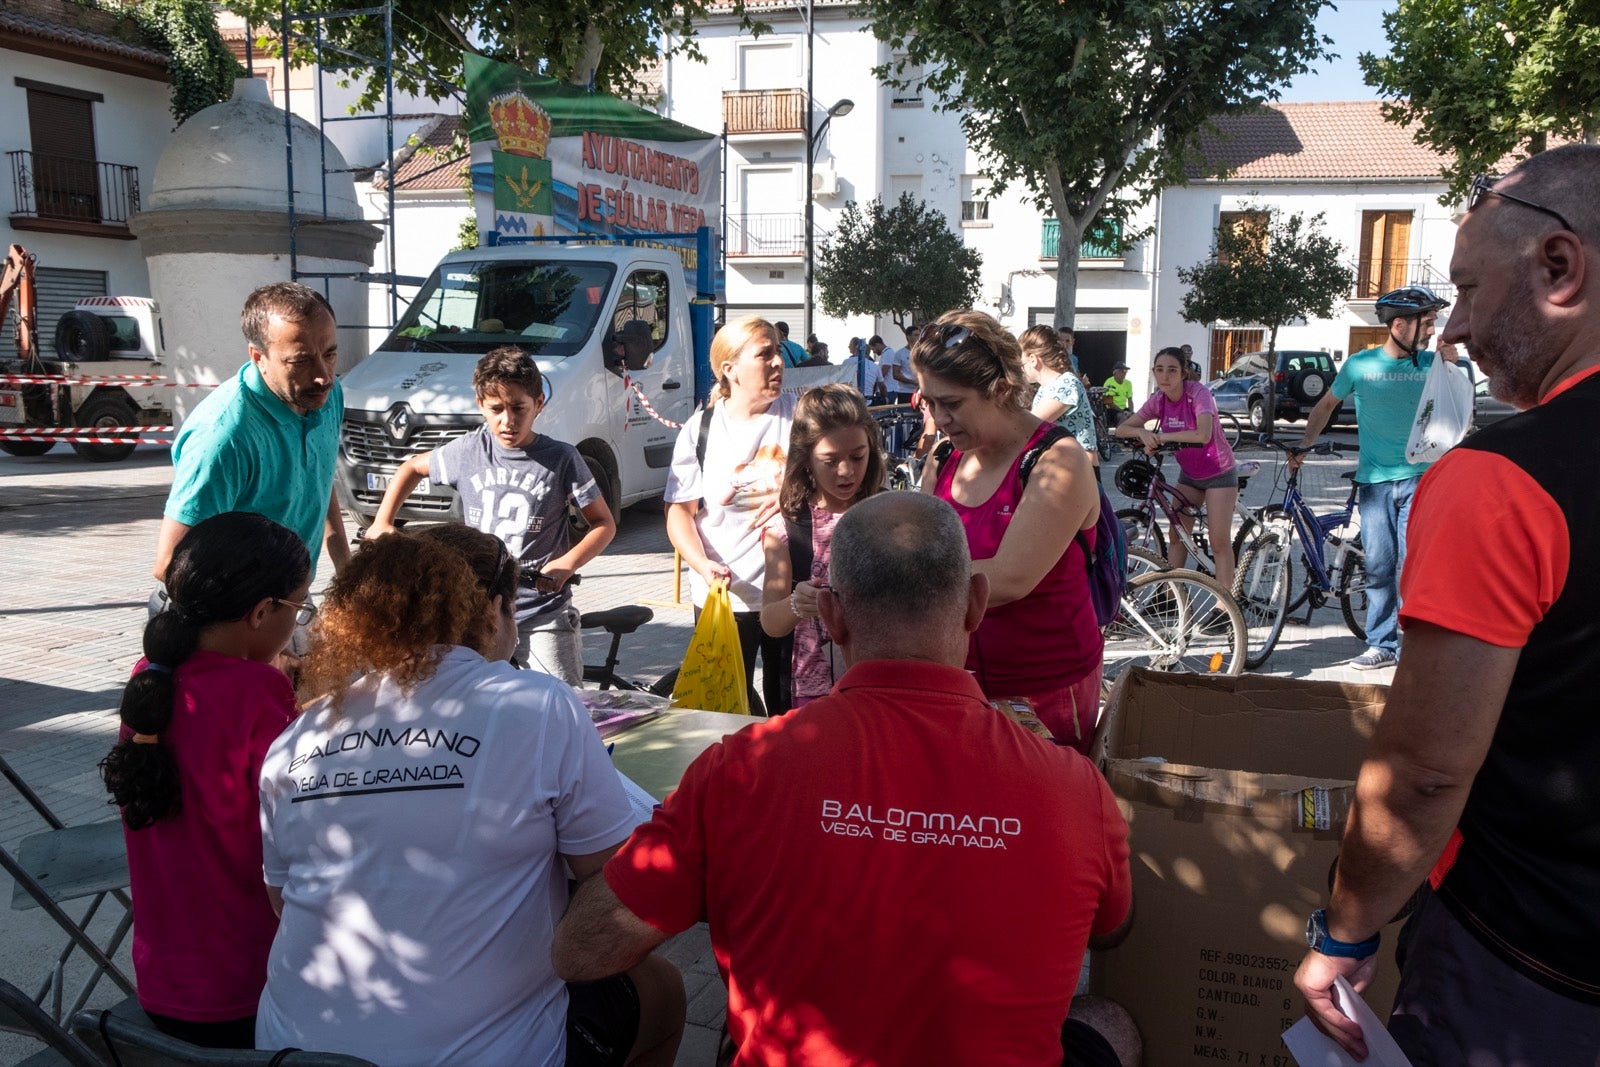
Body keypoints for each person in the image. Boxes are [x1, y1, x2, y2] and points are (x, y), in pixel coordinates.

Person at [553, 493, 1136, 1067]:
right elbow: (1112, 930)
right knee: (1110, 1019)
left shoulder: (740, 769)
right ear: (976, 604)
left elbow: (582, 950)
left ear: (829, 616)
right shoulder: (1076, 787)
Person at [1294, 145, 1600, 1065]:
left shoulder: (1504, 481)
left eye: (1467, 290)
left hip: (1526, 965)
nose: (1455, 330)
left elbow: (1423, 770)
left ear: (1558, 267)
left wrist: (1343, 932)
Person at [256, 530, 684, 1066]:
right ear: (495, 610)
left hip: (290, 1050)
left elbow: (283, 900)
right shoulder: (539, 703)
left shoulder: (298, 735)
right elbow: (613, 875)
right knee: (660, 991)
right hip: (485, 1054)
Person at [100, 512, 310, 1049]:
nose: (299, 623)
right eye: (299, 607)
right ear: (262, 611)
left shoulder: (149, 678)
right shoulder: (257, 691)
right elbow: (305, 812)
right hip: (247, 984)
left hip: (164, 984)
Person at [367, 346, 615, 683]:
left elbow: (603, 523)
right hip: (477, 614)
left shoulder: (562, 458)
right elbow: (412, 467)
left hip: (542, 612)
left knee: (561, 699)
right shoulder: (468, 450)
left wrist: (567, 563)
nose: (508, 421)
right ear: (480, 404)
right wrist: (383, 521)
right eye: (496, 409)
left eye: (519, 409)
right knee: (469, 695)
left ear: (539, 404)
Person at [916, 311, 1102, 751]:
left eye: (953, 403)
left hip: (1043, 689)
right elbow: (919, 545)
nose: (940, 418)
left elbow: (1010, 578)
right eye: (930, 402)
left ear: (999, 389)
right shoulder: (945, 457)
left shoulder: (1058, 459)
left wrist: (893, 584)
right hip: (959, 685)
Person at [1293, 285, 1455, 670]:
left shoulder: (1435, 364)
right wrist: (1303, 446)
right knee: (1380, 566)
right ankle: (1382, 644)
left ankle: (1420, 644)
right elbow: (1325, 405)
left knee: (1417, 564)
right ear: (1400, 325)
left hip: (1423, 480)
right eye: (1427, 323)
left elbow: (1459, 410)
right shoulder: (1359, 366)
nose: (1432, 330)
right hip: (1375, 483)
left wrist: (1452, 366)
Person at [154, 282, 349, 586]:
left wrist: (345, 567)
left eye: (330, 354)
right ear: (258, 357)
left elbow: (319, 478)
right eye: (301, 361)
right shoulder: (224, 437)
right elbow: (170, 564)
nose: (323, 375)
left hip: (284, 603)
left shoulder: (326, 394)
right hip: (230, 616)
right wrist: (255, 615)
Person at [664, 315, 796, 716]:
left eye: (778, 353)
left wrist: (796, 495)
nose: (777, 363)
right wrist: (702, 565)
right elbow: (679, 513)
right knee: (722, 712)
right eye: (765, 354)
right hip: (725, 597)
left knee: (788, 706)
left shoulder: (802, 416)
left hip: (793, 593)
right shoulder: (700, 429)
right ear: (729, 368)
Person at [758, 385, 885, 710]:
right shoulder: (785, 526)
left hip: (877, 688)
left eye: (858, 456)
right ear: (806, 459)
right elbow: (771, 622)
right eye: (830, 461)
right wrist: (798, 603)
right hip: (808, 699)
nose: (846, 471)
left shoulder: (890, 512)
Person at [1114, 346, 1239, 588]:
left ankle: (1225, 609)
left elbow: (1203, 434)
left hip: (1219, 472)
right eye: (1159, 370)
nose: (1165, 376)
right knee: (1177, 536)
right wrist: (1142, 432)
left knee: (1219, 541)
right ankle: (1171, 598)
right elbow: (1122, 429)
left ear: (1183, 373)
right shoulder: (1158, 401)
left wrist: (1162, 438)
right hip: (1190, 475)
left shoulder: (1198, 394)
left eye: (1172, 370)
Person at [1019, 324, 1100, 480]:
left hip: (1080, 471)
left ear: (1033, 359)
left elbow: (1031, 424)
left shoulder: (1066, 383)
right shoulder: (1045, 388)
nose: (1021, 369)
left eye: (1022, 364)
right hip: (1063, 468)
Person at [840, 335, 887, 403]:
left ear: (856, 350)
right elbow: (882, 387)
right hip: (868, 401)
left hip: (851, 400)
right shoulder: (875, 366)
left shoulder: (847, 362)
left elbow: (842, 381)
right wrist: (885, 397)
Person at [879, 324, 918, 403]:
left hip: (921, 392)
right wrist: (912, 382)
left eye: (919, 335)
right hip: (905, 392)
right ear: (908, 336)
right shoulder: (900, 354)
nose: (918, 337)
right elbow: (895, 375)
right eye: (916, 335)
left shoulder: (923, 352)